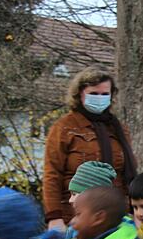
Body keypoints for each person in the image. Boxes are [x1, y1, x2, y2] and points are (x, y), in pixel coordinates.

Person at [43, 67, 138, 230]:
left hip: (115, 215)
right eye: (94, 93)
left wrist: (136, 209)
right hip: (73, 216)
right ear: (80, 94)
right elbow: (52, 174)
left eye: (104, 94)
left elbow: (127, 175)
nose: (99, 98)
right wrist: (54, 216)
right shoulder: (64, 127)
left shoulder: (119, 130)